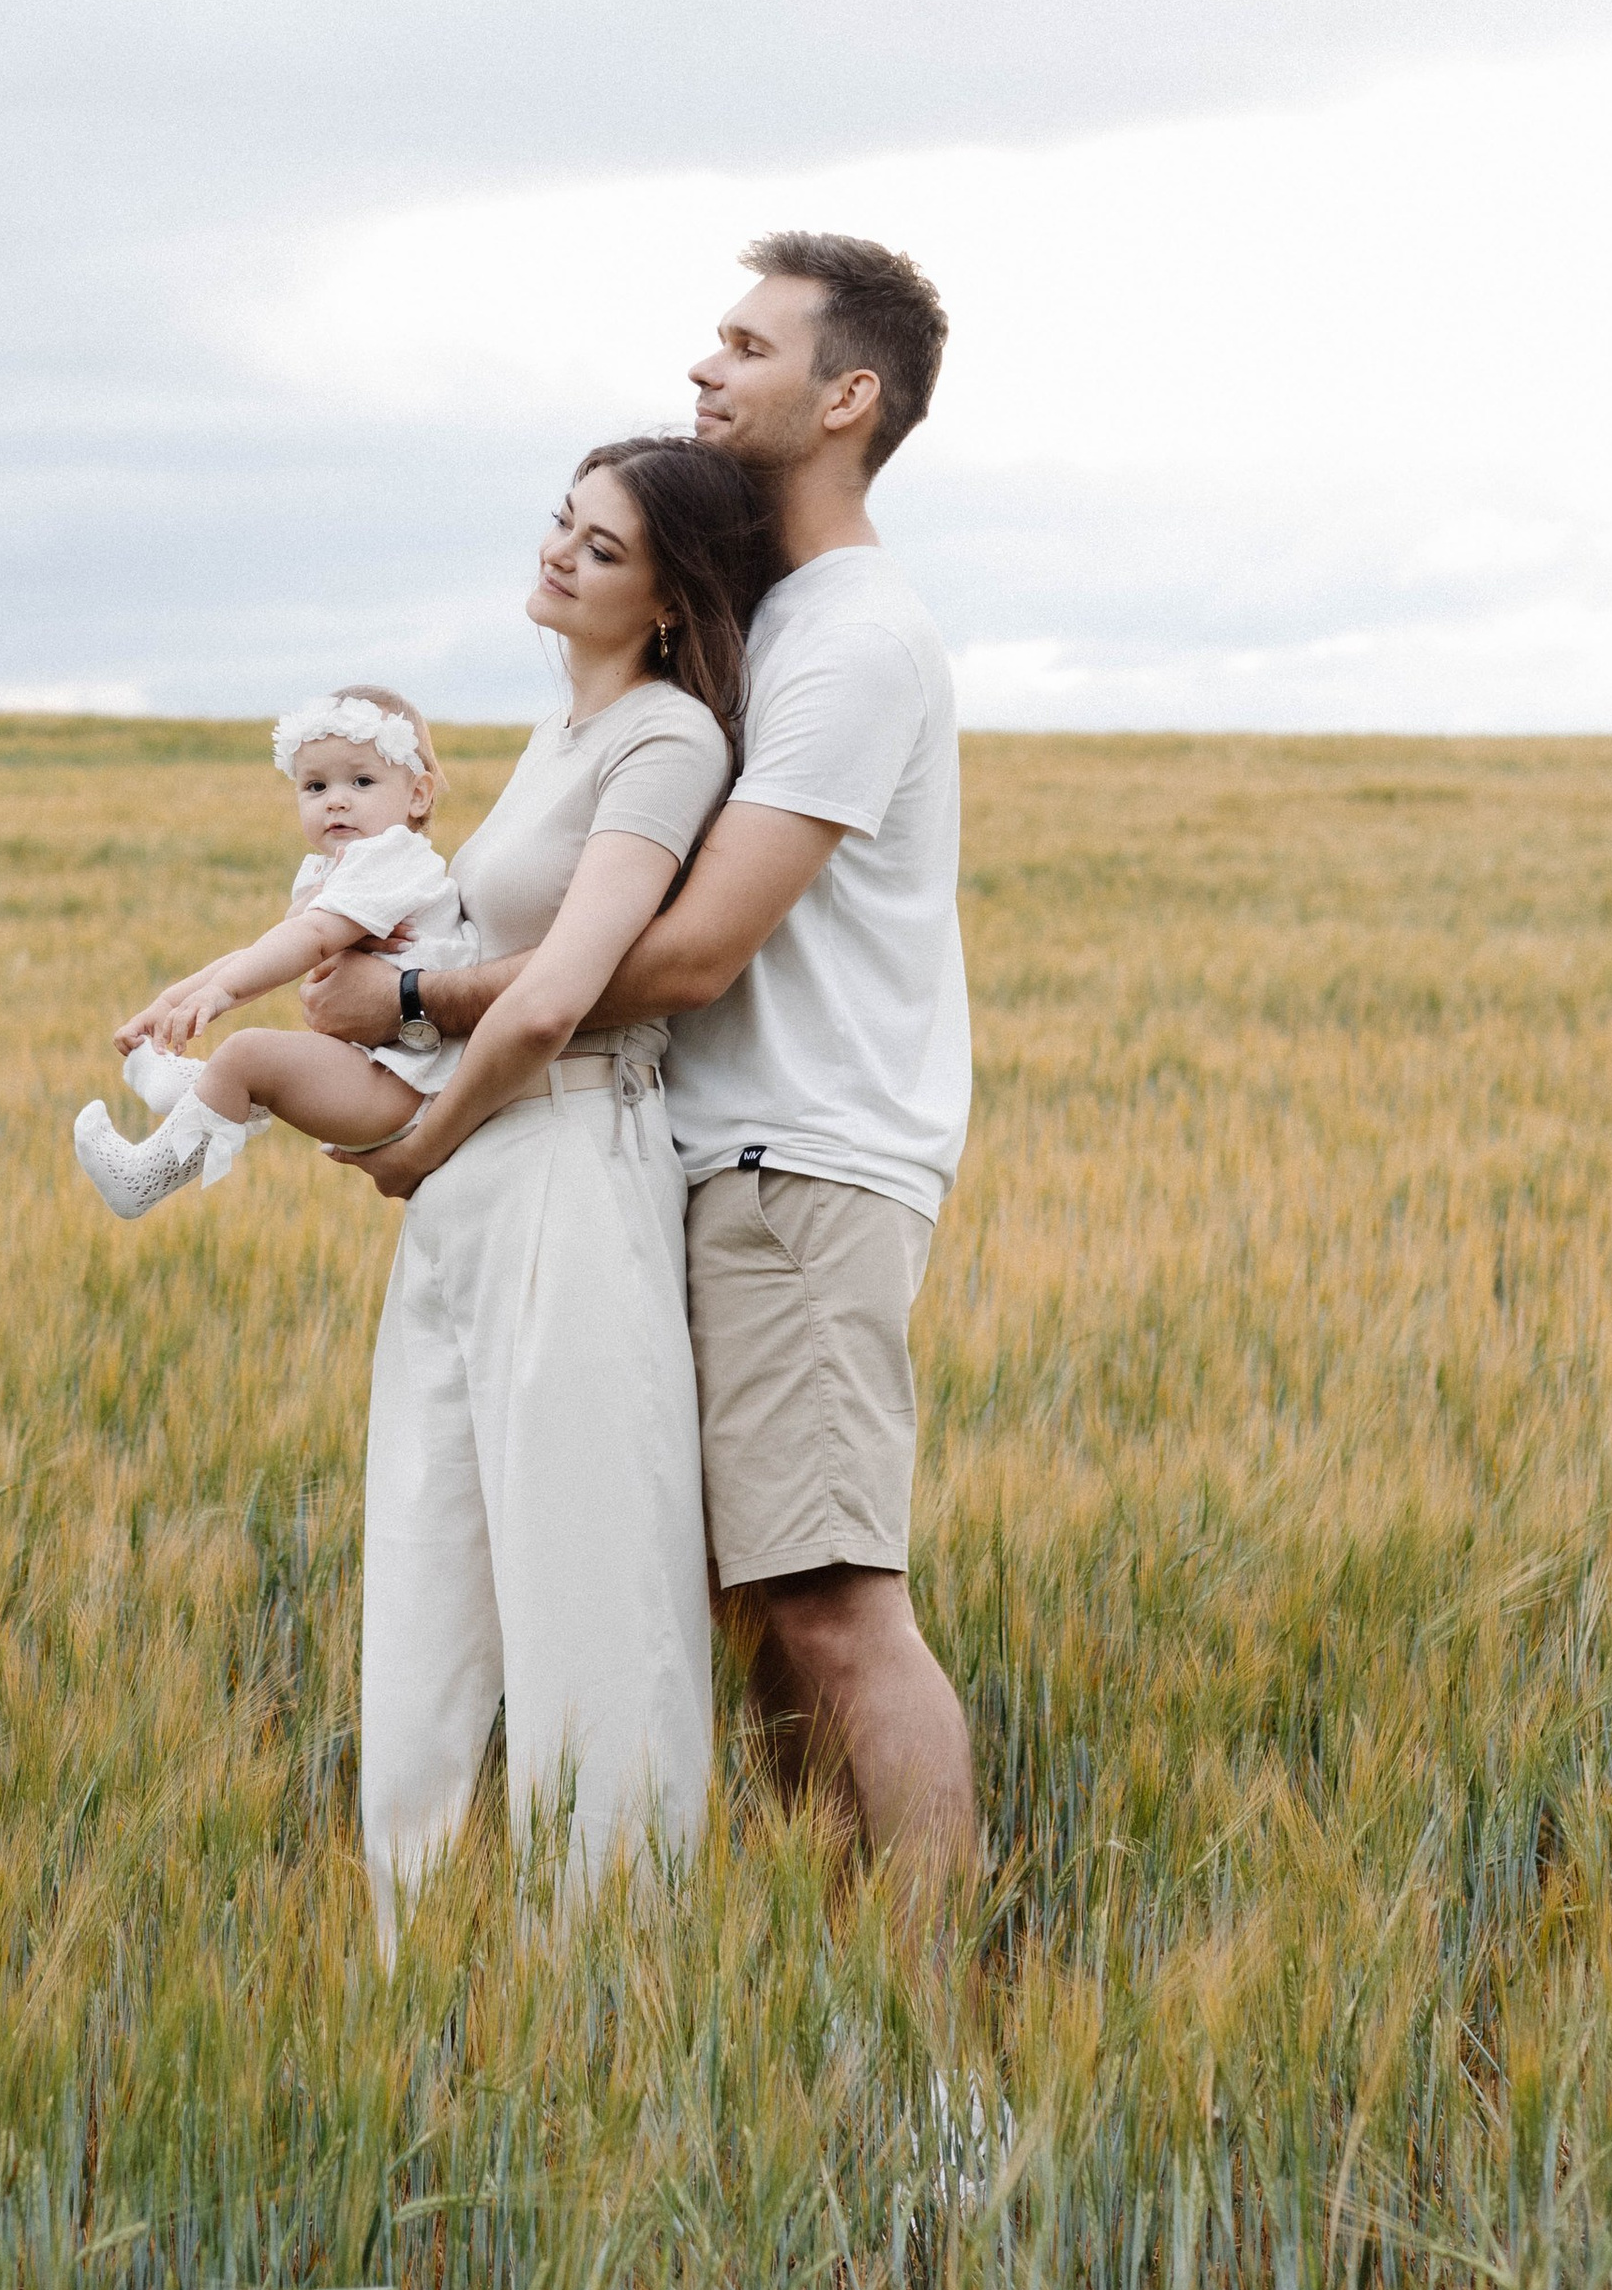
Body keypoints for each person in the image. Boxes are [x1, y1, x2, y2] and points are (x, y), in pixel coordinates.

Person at [314, 234, 975, 1886]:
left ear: (847, 396)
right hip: (700, 1160)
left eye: (745, 346)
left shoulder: (852, 638)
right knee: (731, 1613)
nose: (706, 369)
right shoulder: (771, 629)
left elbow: (684, 954)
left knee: (827, 1606)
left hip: (798, 1163)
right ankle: (816, 2012)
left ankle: (941, 2056)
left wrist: (417, 1008)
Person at [325, 436, 779, 1943]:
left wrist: (411, 1135)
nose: (560, 556)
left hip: (566, 1164)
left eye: (601, 549)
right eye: (561, 525)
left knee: (592, 1585)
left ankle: (614, 1986)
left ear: (667, 601)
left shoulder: (665, 741)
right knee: (426, 1563)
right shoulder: (556, 737)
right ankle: (414, 1970)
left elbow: (551, 998)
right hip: (481, 1179)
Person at [69, 685, 475, 1216]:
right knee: (250, 1058)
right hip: (372, 1071)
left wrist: (219, 994)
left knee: (249, 1052)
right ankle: (210, 1091)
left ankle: (142, 1177)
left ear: (417, 795)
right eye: (315, 785)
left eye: (362, 780)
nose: (336, 798)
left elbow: (309, 940)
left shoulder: (392, 857)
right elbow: (269, 949)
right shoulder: (335, 871)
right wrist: (170, 1003)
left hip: (409, 1087)